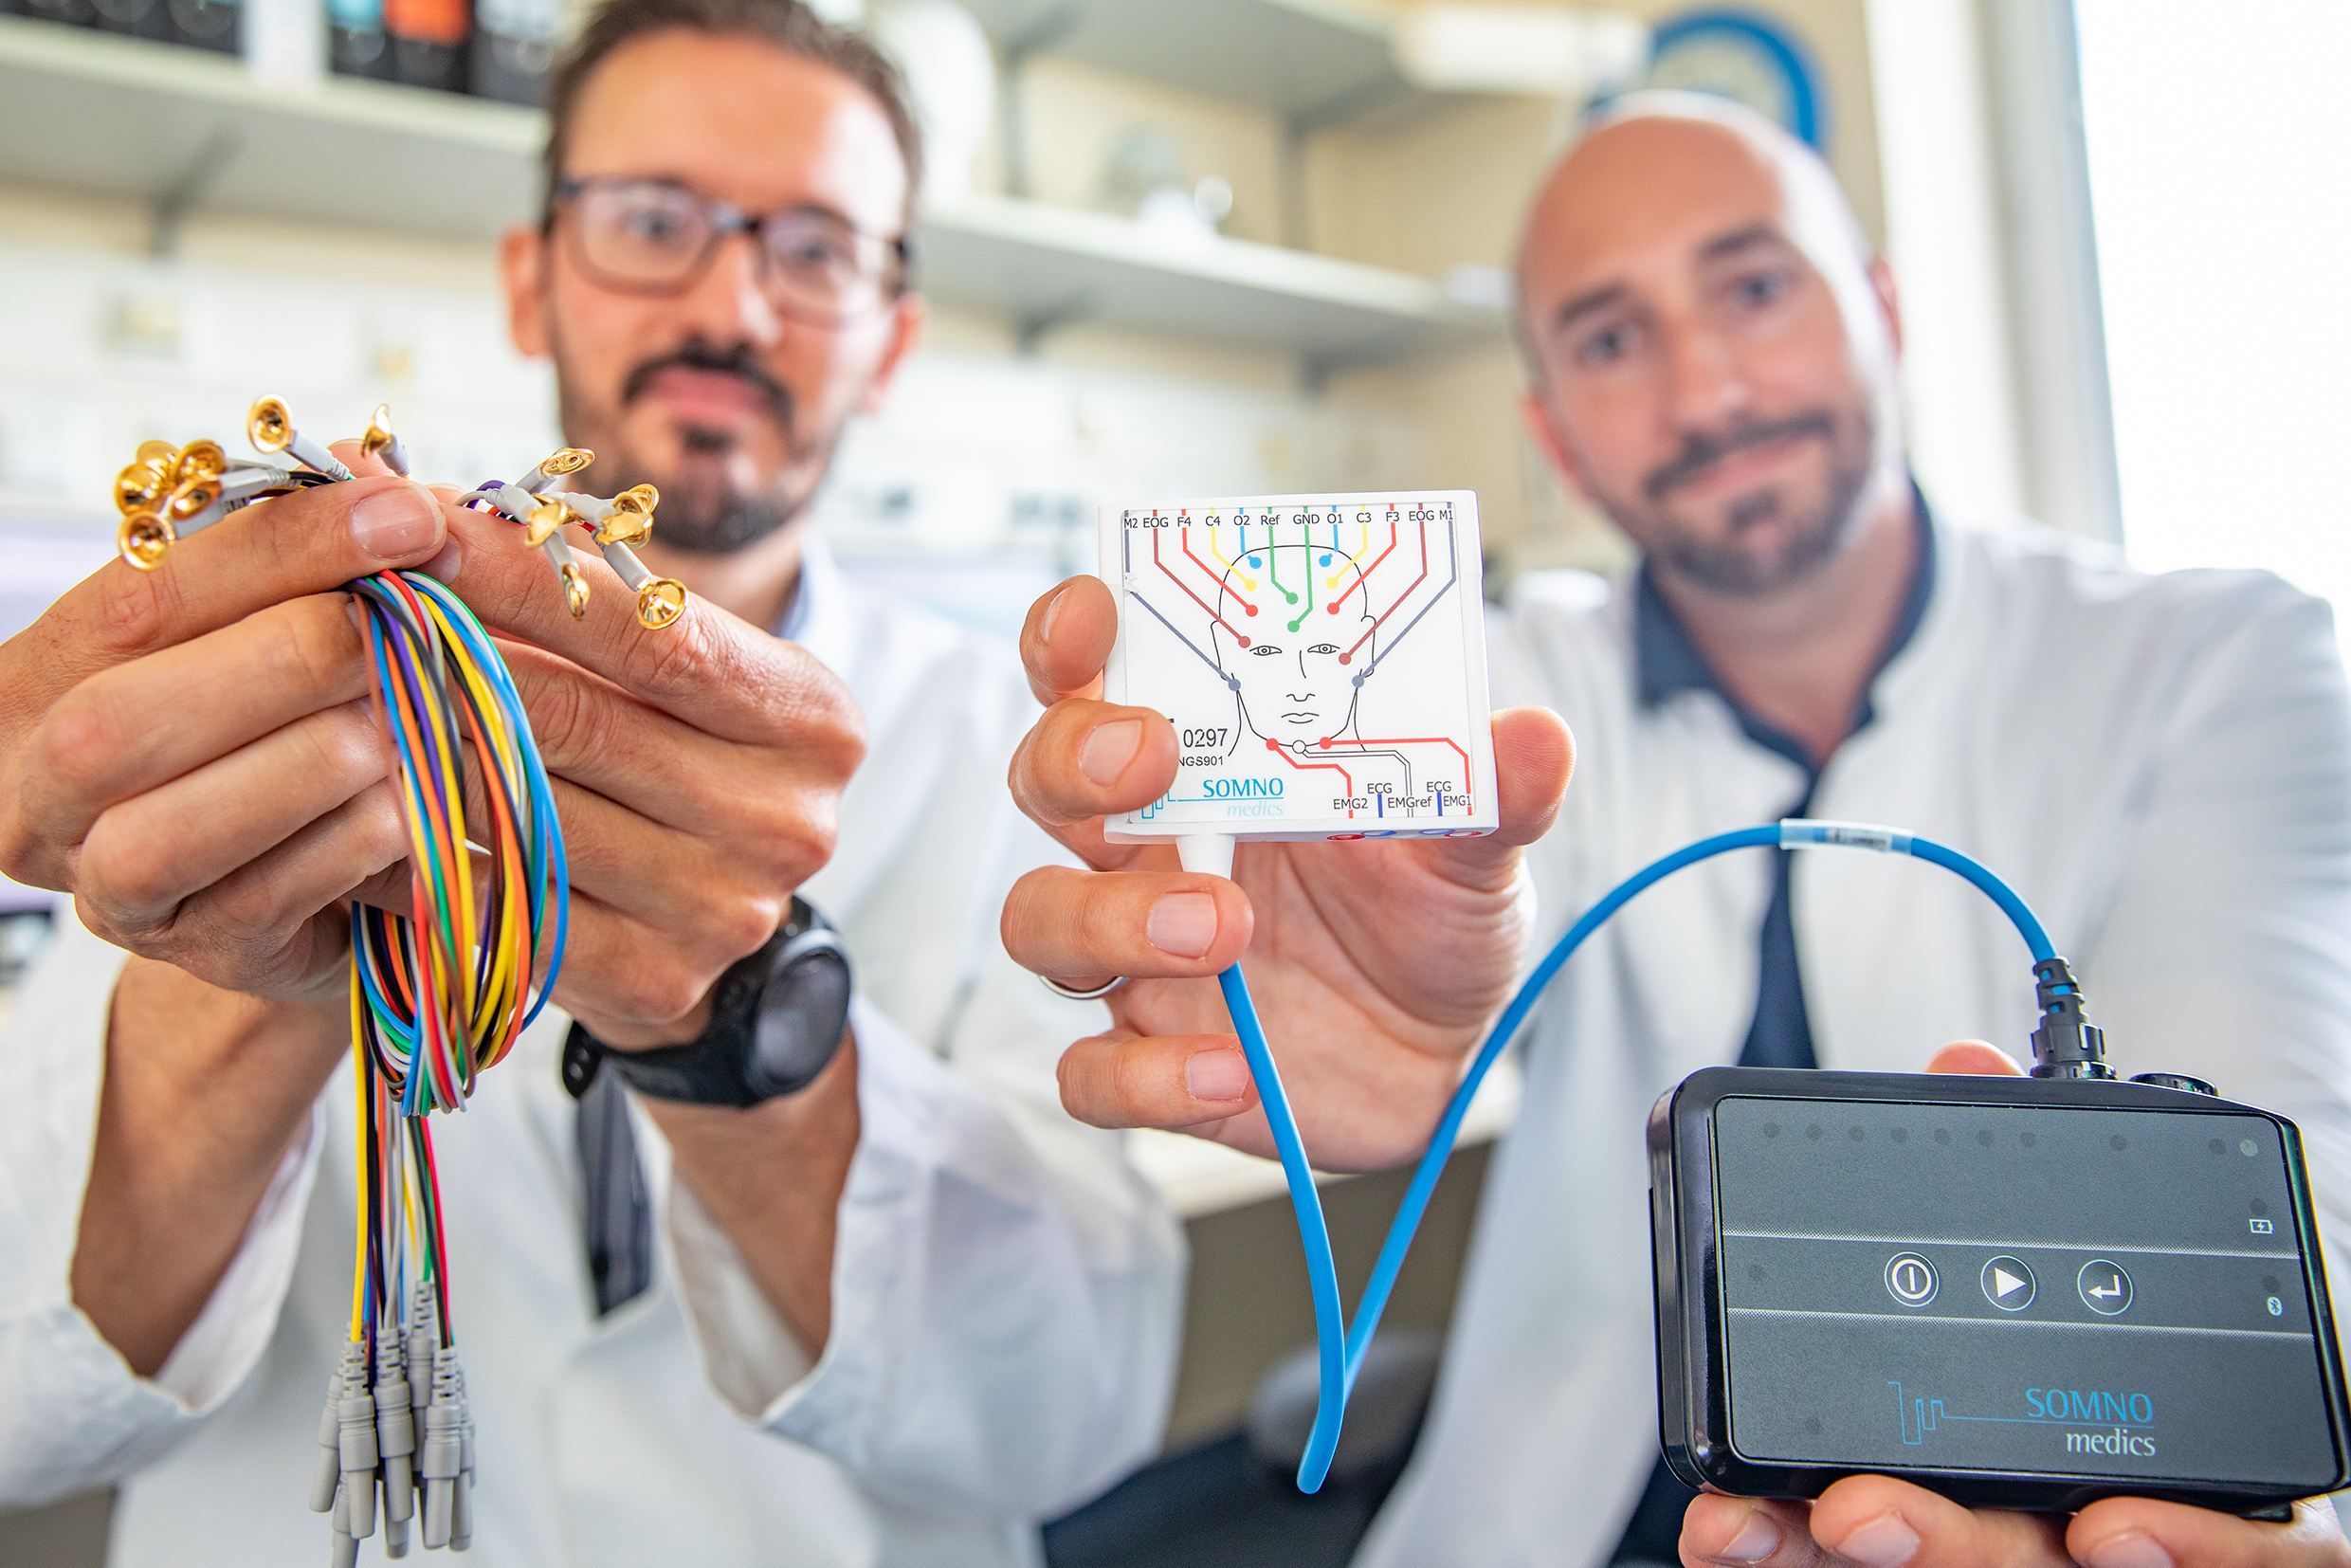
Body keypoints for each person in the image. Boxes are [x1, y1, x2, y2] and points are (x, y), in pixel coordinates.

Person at [999, 93, 2351, 1567]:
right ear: (1553, 439)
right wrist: (1362, 981)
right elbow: (1474, 860)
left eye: (1755, 287)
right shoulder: (1513, 686)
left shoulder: (2221, 662)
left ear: (1884, 307)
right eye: (1611, 338)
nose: (1705, 391)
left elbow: (2276, 1202)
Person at [0, 1, 1178, 1562]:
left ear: (892, 339)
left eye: (817, 250)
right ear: (529, 276)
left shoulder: (1028, 745)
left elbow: (1077, 1402)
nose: (733, 303)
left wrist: (744, 1025)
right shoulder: (283, 681)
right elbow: (26, 1392)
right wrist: (268, 913)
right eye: (651, 220)